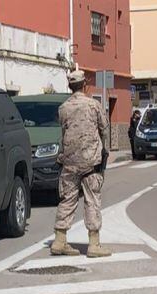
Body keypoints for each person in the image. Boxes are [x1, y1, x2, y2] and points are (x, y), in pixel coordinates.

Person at [51, 65, 111, 258]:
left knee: (67, 200)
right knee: (92, 200)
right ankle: (94, 244)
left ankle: (59, 241)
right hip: (90, 162)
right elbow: (104, 129)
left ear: (70, 87)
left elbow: (63, 133)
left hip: (69, 163)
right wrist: (104, 153)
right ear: (84, 85)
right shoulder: (93, 105)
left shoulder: (63, 108)